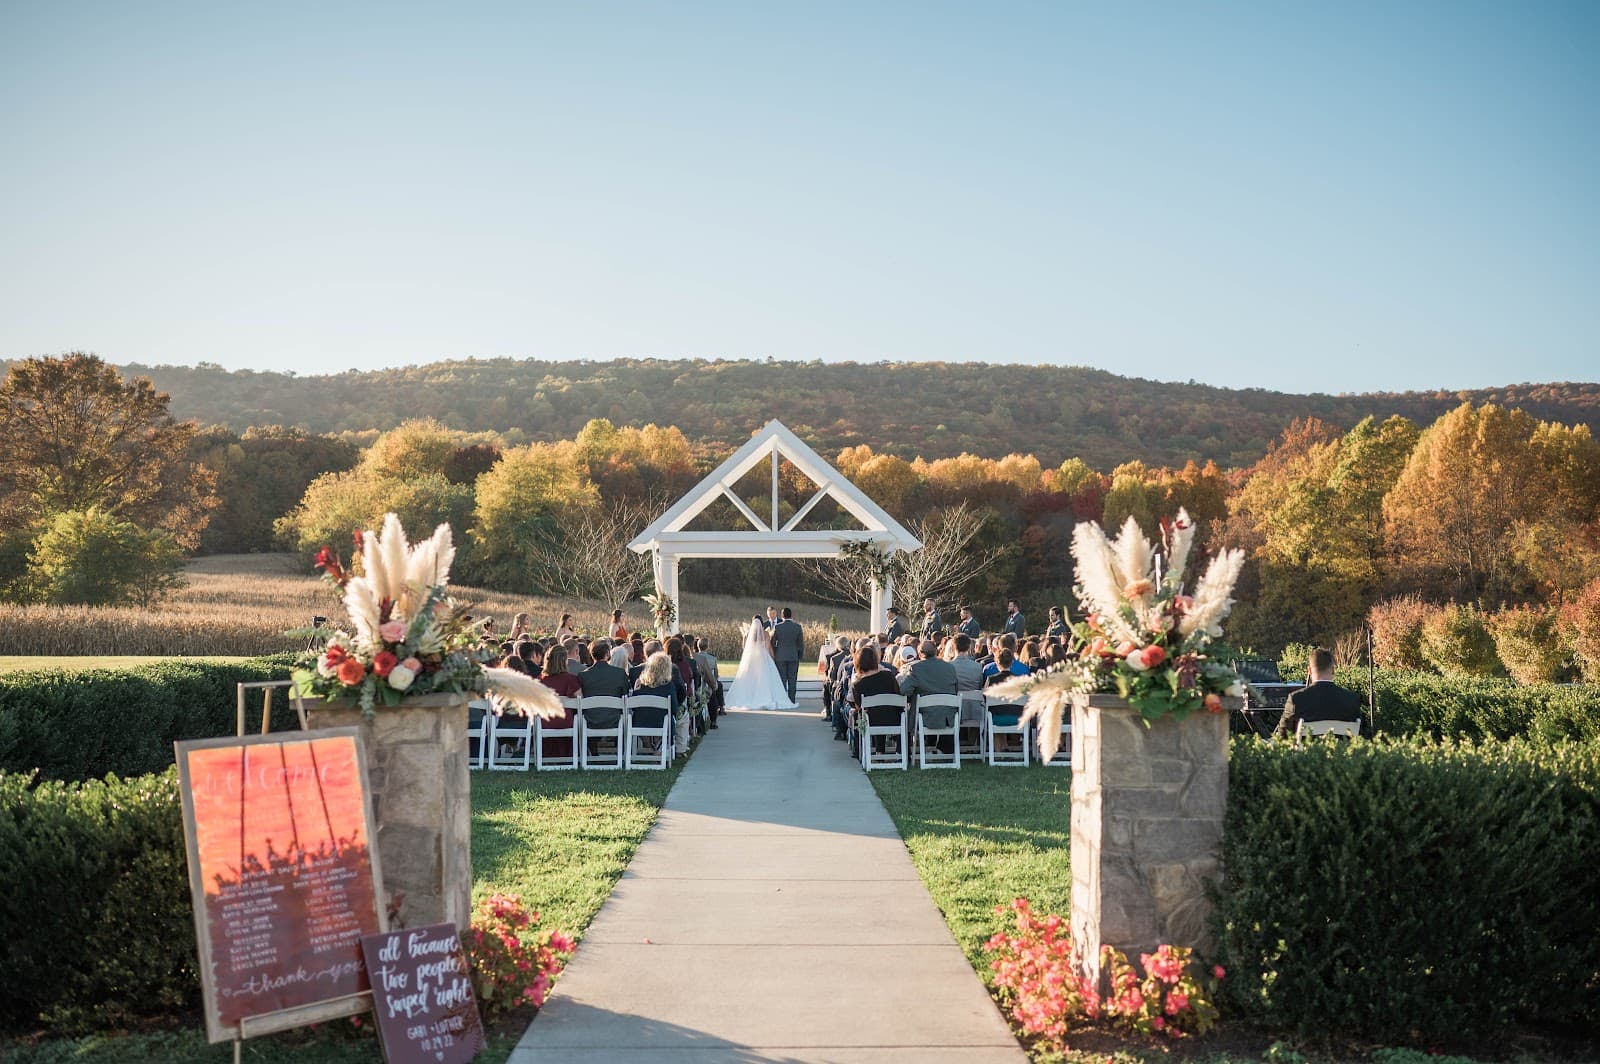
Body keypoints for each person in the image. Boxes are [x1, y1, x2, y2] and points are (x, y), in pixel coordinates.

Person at [1273, 647, 1363, 738]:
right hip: (1342, 747)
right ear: (1333, 670)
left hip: (1305, 747)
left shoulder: (1296, 699)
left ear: (1309, 670)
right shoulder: (1352, 699)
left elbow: (1282, 735)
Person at [898, 639, 959, 753]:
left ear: (920, 654)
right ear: (936, 651)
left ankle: (905, 752)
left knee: (905, 715)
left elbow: (903, 690)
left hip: (924, 717)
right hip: (948, 717)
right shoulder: (950, 668)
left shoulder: (916, 668)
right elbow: (956, 690)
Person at [726, 614, 797, 710]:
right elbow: (768, 648)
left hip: (751, 659)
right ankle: (765, 697)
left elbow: (744, 648)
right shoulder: (765, 634)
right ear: (762, 623)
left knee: (750, 679)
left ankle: (750, 698)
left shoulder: (747, 634)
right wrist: (772, 658)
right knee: (765, 679)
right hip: (763, 657)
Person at [848, 644, 901, 757]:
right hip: (894, 719)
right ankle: (896, 751)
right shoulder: (889, 676)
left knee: (859, 714)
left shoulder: (857, 684)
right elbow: (898, 695)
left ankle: (859, 751)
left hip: (871, 721)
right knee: (883, 710)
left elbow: (859, 706)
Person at [537, 644, 583, 759]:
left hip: (545, 722)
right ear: (564, 660)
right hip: (565, 722)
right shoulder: (570, 679)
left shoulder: (540, 680)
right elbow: (580, 698)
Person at [630, 651, 683, 735]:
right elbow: (674, 709)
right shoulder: (669, 686)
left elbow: (633, 707)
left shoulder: (640, 685)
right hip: (662, 725)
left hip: (640, 724)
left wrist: (635, 691)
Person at [771, 607, 805, 704]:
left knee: (782, 679)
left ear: (782, 616)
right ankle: (792, 700)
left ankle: (782, 700)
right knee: (792, 680)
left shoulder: (777, 627)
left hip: (780, 657)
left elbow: (772, 643)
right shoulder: (797, 627)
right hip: (793, 656)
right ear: (791, 615)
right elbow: (800, 644)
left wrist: (776, 653)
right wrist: (799, 656)